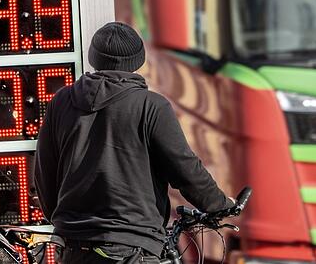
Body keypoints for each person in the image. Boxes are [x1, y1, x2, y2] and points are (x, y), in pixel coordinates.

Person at [34, 22, 233, 263]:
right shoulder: (152, 106)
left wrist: (64, 218)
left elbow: (45, 174)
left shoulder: (62, 102)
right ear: (138, 60)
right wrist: (219, 204)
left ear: (94, 57)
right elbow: (185, 169)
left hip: (74, 248)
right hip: (132, 246)